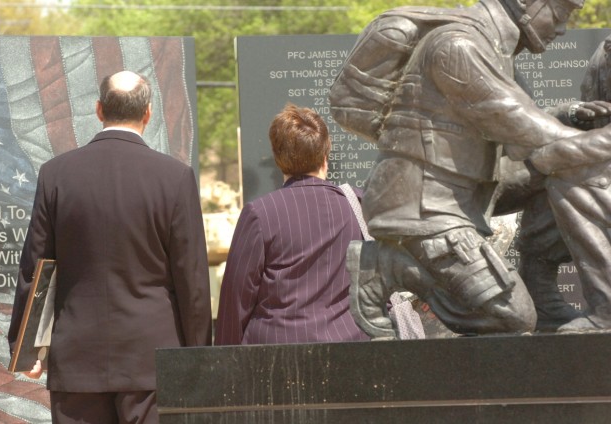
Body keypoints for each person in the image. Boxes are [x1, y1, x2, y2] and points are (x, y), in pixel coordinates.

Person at [330, 0, 611, 336]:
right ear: (526, 5)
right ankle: (388, 268)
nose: (562, 28)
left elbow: (517, 126)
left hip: (469, 191)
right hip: (425, 207)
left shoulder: (492, 46)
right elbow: (535, 136)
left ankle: (543, 288)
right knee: (513, 319)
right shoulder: (459, 47)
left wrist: (567, 115)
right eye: (560, 14)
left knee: (563, 163)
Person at [7, 71, 212, 423]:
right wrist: (197, 356)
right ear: (148, 113)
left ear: (99, 110)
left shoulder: (56, 174)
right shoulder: (174, 177)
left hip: (77, 359)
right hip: (152, 361)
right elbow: (191, 278)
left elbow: (36, 269)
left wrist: (26, 351)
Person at [214, 103, 370, 345]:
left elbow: (236, 298)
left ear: (278, 157)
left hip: (277, 354)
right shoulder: (358, 206)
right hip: (349, 349)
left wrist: (224, 360)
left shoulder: (260, 213)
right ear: (326, 154)